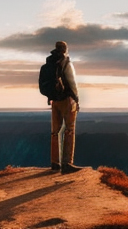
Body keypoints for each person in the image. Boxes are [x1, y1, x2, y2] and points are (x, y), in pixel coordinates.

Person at [47, 41, 83, 174]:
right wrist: (76, 99)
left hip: (54, 101)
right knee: (69, 130)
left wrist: (50, 97)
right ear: (65, 49)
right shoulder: (66, 62)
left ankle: (55, 163)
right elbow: (71, 82)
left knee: (55, 132)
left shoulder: (50, 62)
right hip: (67, 100)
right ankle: (67, 163)